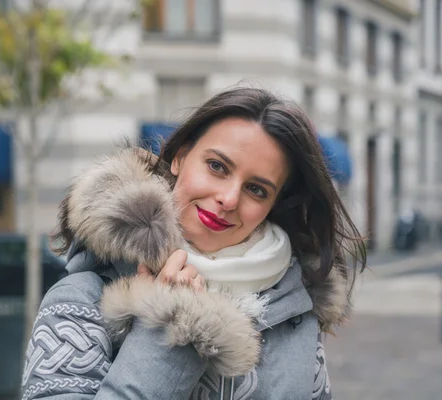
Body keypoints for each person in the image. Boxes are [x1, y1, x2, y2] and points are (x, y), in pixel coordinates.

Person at [21, 87, 366, 399]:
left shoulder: (293, 311)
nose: (229, 199)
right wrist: (173, 325)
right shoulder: (81, 300)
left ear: (272, 205)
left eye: (257, 189)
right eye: (217, 166)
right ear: (181, 157)